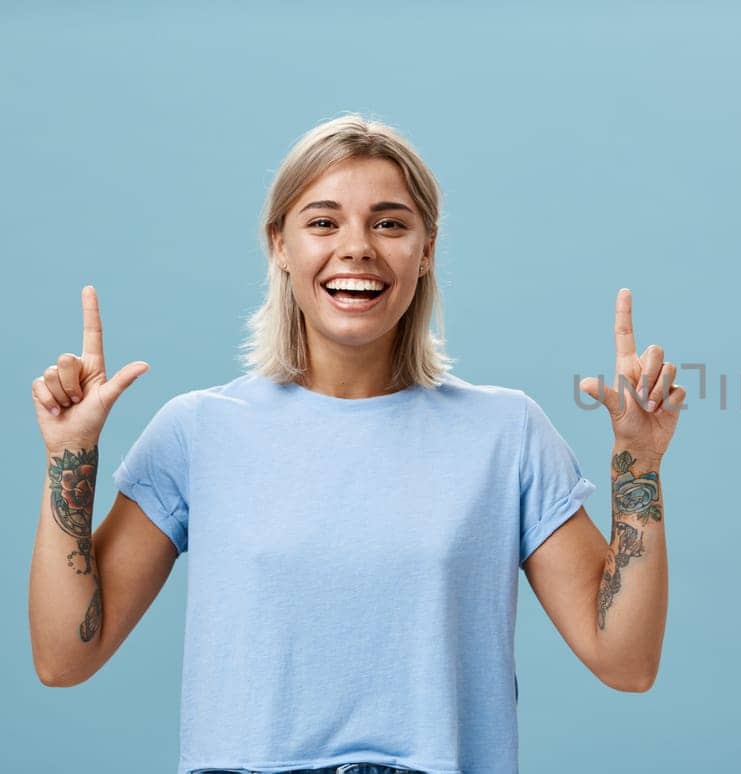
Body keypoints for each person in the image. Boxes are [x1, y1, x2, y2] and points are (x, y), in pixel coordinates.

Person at [26, 114, 684, 774]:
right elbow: (64, 658)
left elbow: (625, 662)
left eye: (390, 223)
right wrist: (69, 455)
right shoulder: (196, 432)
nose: (357, 247)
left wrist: (640, 466)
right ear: (279, 245)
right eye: (322, 222)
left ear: (426, 250)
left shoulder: (506, 434)